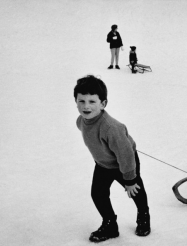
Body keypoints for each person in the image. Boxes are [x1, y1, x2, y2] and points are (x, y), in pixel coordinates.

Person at [74, 75, 151, 243]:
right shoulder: (81, 121)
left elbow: (125, 154)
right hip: (103, 164)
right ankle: (110, 225)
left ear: (103, 104)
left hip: (125, 162)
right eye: (81, 101)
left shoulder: (111, 128)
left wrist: (129, 179)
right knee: (98, 194)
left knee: (135, 190)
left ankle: (143, 215)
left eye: (92, 101)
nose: (86, 106)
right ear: (76, 101)